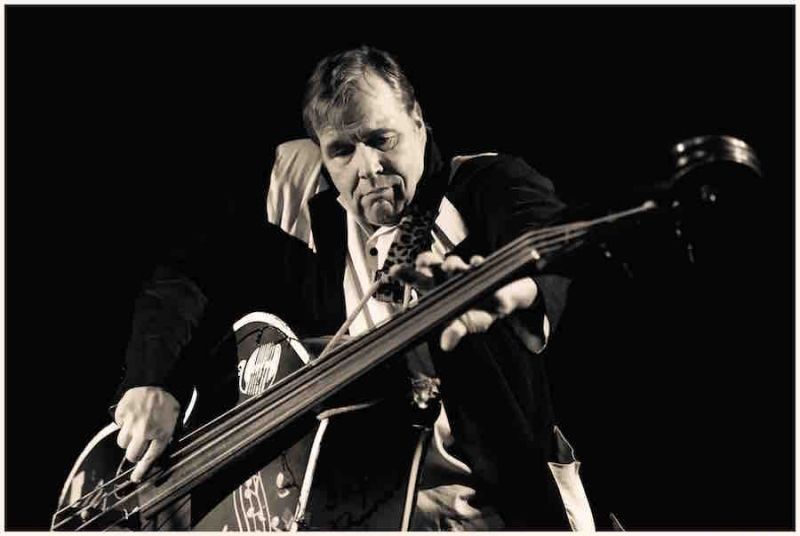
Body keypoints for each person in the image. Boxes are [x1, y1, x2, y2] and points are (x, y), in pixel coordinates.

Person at [112, 45, 595, 530]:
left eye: (382, 139)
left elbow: (548, 235)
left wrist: (513, 288)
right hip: (354, 505)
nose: (368, 168)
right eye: (342, 151)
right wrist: (151, 380)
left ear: (419, 123)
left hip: (493, 504)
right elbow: (191, 265)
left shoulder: (485, 184)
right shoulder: (307, 200)